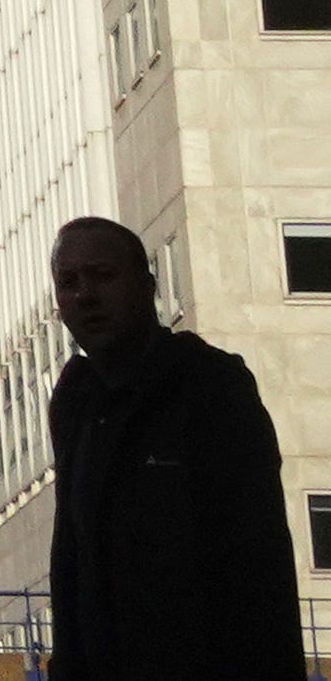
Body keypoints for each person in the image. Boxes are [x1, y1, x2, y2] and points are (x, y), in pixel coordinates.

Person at [41, 214, 300, 678]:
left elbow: (257, 562)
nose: (86, 295)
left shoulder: (211, 386)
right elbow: (71, 563)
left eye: (103, 275)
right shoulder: (75, 402)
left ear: (147, 286)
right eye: (69, 281)